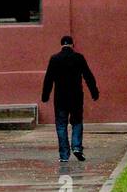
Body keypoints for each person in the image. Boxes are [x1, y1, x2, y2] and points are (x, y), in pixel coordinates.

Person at [41, 35, 99, 165]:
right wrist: (94, 91)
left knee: (61, 125)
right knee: (77, 122)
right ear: (73, 44)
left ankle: (64, 155)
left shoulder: (55, 59)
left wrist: (45, 95)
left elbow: (48, 79)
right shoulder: (79, 58)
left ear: (61, 45)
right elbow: (88, 75)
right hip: (76, 97)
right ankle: (77, 147)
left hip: (60, 98)